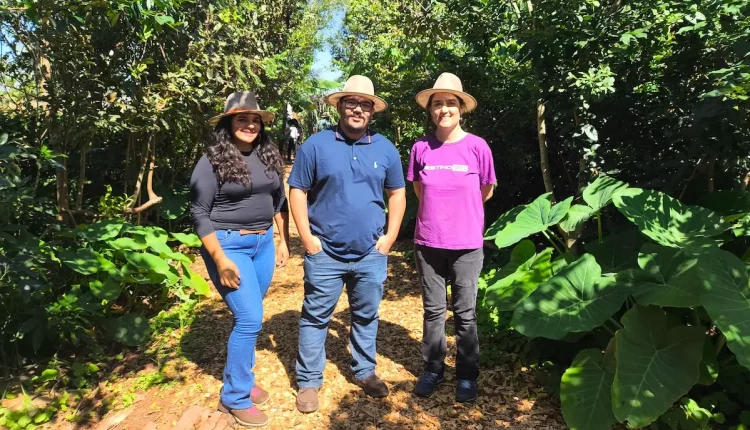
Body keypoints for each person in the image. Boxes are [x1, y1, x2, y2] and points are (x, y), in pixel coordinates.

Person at [287, 75, 406, 413]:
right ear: (339, 106)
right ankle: (309, 381)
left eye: (364, 104)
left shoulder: (384, 148)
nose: (357, 108)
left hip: (370, 253)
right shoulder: (316, 145)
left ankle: (365, 371)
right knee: (315, 317)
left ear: (372, 111)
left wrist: (391, 236)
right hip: (325, 252)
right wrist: (307, 239)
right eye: (351, 102)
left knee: (366, 315)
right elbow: (297, 190)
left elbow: (397, 193)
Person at [190, 91, 290, 427]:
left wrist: (282, 241)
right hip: (228, 245)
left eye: (254, 119)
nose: (249, 124)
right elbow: (200, 213)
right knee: (250, 319)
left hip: (262, 244)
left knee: (250, 317)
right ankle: (233, 398)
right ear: (228, 123)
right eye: (242, 118)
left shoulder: (267, 154)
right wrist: (220, 260)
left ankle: (241, 382)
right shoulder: (211, 160)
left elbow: (279, 201)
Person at [407, 73, 496, 403]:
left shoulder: (477, 147)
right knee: (432, 311)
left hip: (467, 244)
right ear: (431, 110)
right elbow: (419, 189)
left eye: (450, 103)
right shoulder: (420, 148)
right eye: (438, 103)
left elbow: (485, 189)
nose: (444, 109)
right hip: (428, 242)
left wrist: (462, 213)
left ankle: (467, 375)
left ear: (462, 109)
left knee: (465, 312)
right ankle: (433, 368)